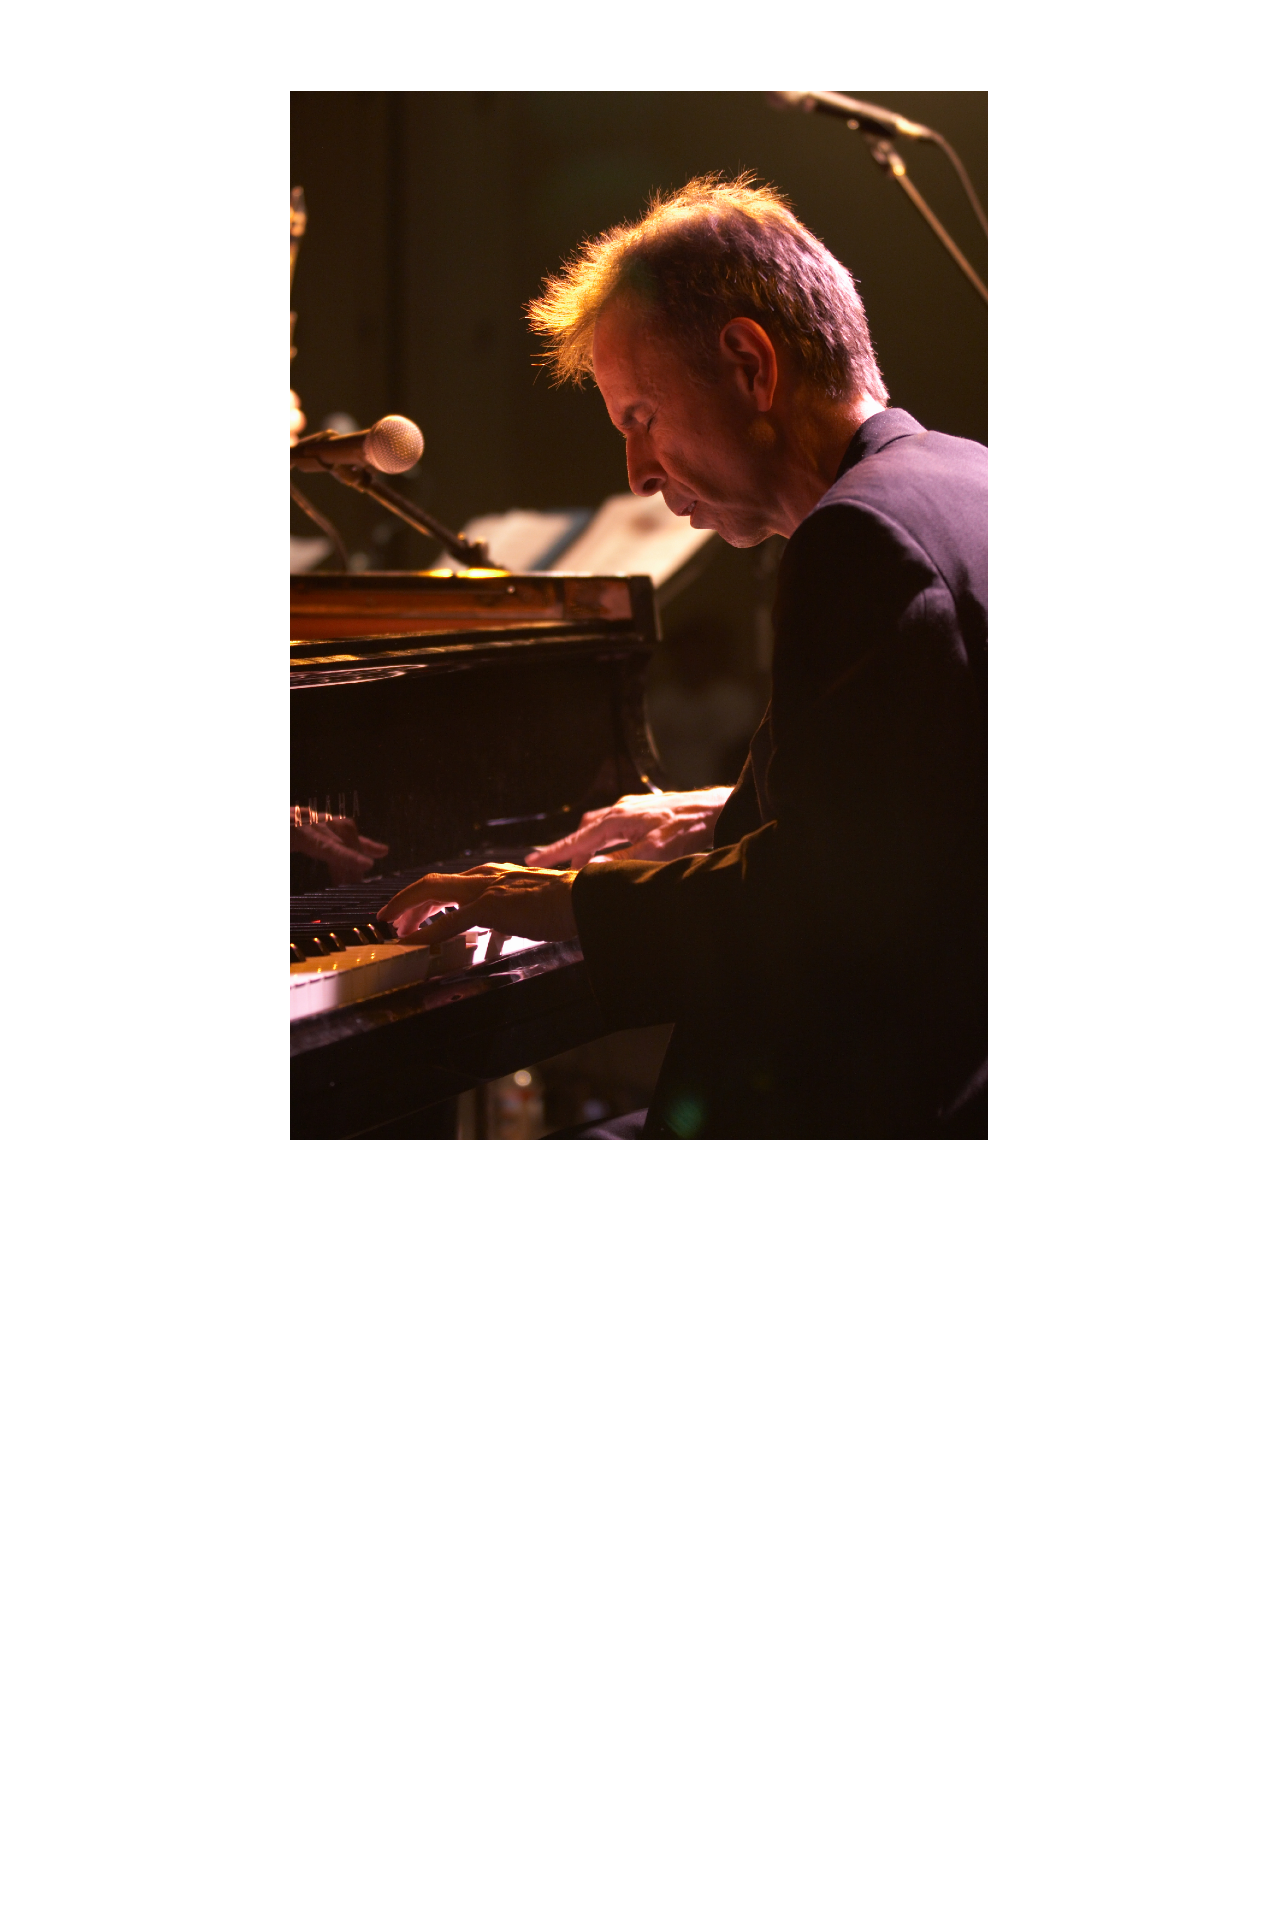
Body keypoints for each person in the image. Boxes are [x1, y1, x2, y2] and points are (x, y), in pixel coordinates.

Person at [378, 175, 987, 1139]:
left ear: (750, 362)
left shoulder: (862, 535)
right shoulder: (966, 480)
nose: (638, 473)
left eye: (639, 419)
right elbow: (925, 808)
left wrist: (543, 897)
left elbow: (812, 912)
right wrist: (723, 815)